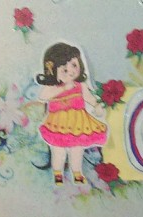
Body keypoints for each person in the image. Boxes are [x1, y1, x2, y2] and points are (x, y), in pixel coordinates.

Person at [36, 42, 108, 185]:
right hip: (58, 124)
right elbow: (43, 96)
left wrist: (96, 105)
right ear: (52, 70)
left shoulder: (80, 86)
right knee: (59, 151)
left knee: (77, 150)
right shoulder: (52, 87)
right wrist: (63, 88)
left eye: (74, 65)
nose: (71, 71)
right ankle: (58, 174)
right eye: (64, 69)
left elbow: (89, 98)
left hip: (78, 123)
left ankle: (77, 173)